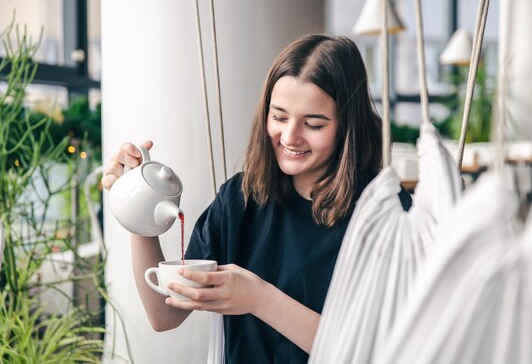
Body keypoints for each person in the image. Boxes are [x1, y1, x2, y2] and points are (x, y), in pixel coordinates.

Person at [102, 34, 410, 364]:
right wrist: (137, 208)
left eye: (314, 124)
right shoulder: (240, 198)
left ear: (348, 127)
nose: (290, 136)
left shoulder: (387, 212)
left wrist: (259, 299)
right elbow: (164, 316)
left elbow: (378, 352)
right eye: (278, 117)